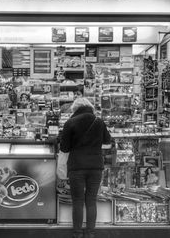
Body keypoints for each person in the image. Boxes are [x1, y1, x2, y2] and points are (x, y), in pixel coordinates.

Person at [60, 97, 111, 238]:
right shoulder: (99, 121)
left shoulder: (70, 122)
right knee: (91, 200)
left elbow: (64, 147)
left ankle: (77, 233)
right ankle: (90, 233)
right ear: (90, 107)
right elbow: (108, 141)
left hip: (77, 166)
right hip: (95, 166)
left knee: (77, 201)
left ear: (75, 109)